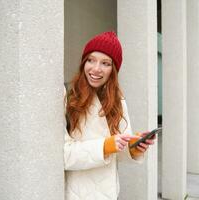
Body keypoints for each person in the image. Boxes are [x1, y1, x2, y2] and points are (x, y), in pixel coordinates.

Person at [64, 31, 155, 200]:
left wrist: (135, 148)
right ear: (83, 62)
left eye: (105, 63)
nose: (96, 69)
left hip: (109, 192)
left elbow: (120, 153)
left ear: (113, 69)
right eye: (91, 60)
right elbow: (63, 155)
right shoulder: (69, 97)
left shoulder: (118, 102)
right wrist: (105, 146)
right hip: (78, 192)